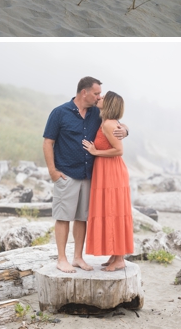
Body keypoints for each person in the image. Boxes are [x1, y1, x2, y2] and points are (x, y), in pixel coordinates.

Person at [43, 76, 128, 273]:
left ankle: (78, 257)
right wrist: (53, 172)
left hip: (89, 175)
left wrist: (125, 130)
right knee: (63, 217)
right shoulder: (59, 113)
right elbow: (48, 142)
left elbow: (116, 123)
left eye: (100, 94)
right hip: (66, 173)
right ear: (84, 92)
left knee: (82, 218)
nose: (99, 97)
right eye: (96, 93)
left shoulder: (96, 114)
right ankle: (61, 259)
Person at [82, 91, 133, 271]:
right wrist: (125, 128)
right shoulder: (106, 121)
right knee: (109, 210)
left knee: (114, 210)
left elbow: (119, 150)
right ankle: (114, 255)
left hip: (112, 170)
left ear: (109, 103)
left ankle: (120, 258)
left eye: (103, 98)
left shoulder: (109, 124)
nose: (99, 98)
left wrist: (96, 152)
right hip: (105, 170)